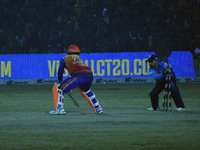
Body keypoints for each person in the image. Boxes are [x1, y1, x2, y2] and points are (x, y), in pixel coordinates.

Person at [49, 44, 103, 115]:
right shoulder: (79, 59)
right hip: (89, 75)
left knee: (60, 88)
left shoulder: (65, 58)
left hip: (79, 76)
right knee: (87, 90)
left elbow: (60, 72)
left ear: (68, 52)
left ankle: (59, 109)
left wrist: (60, 82)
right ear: (78, 52)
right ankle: (98, 108)